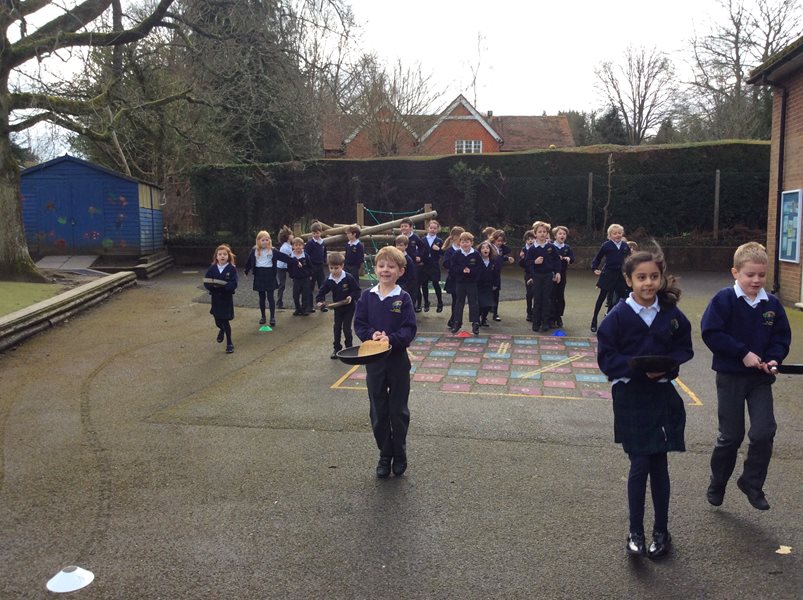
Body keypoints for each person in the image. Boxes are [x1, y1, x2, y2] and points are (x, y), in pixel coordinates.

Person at [597, 246, 694, 559]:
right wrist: (638, 369)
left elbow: (684, 348)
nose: (648, 282)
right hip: (631, 396)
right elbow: (607, 359)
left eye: (654, 276)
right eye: (641, 277)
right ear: (629, 280)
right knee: (640, 463)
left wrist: (668, 366)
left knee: (659, 464)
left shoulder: (671, 314)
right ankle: (635, 531)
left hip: (662, 395)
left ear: (661, 278)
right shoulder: (617, 317)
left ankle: (661, 531)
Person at [701, 242, 791, 511]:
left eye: (761, 275)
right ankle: (718, 481)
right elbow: (711, 332)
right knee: (731, 436)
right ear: (735, 272)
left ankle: (751, 483)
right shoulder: (724, 299)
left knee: (764, 432)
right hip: (731, 377)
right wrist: (742, 353)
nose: (756, 280)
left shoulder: (772, 304)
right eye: (750, 274)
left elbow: (781, 337)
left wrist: (774, 358)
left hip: (760, 380)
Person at [354, 245, 417, 478]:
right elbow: (359, 323)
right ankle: (385, 453)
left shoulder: (403, 298)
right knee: (378, 412)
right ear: (375, 268)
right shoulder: (367, 296)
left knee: (397, 411)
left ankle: (399, 453)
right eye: (381, 266)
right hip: (375, 363)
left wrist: (390, 339)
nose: (385, 270)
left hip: (397, 362)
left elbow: (409, 329)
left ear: (400, 271)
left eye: (391, 266)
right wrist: (372, 335)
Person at [316, 252, 361, 359]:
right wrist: (320, 301)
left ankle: (349, 348)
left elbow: (357, 290)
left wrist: (351, 296)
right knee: (336, 328)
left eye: (336, 268)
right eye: (331, 268)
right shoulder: (329, 280)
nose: (333, 271)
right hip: (338, 308)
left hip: (349, 307)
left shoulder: (348, 277)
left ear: (342, 266)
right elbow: (321, 292)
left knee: (346, 328)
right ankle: (337, 348)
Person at [590, 223, 631, 332]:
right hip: (608, 274)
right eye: (615, 233)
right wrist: (594, 268)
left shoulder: (625, 246)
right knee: (602, 298)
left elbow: (630, 260)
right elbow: (598, 258)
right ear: (610, 235)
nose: (617, 235)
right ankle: (594, 320)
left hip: (621, 276)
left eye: (619, 233)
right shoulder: (606, 245)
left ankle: (613, 321)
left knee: (619, 299)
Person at [525, 221, 561, 333]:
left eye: (544, 232)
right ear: (535, 234)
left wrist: (557, 272)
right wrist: (534, 262)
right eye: (540, 232)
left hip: (548, 276)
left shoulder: (551, 247)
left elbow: (557, 260)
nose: (542, 234)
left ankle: (545, 323)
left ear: (547, 233)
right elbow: (527, 263)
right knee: (537, 299)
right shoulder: (532, 249)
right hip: (536, 276)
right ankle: (536, 323)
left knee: (546, 299)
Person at [204, 244, 238, 354]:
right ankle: (221, 329)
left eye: (224, 254)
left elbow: (234, 283)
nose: (222, 256)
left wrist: (226, 287)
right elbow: (207, 281)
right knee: (218, 321)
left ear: (228, 256)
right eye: (220, 254)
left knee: (225, 320)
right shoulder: (212, 268)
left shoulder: (231, 269)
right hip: (216, 298)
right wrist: (212, 286)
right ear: (216, 256)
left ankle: (229, 343)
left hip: (226, 298)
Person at [243, 230, 281, 327]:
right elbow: (249, 261)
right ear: (258, 241)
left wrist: (295, 261)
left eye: (267, 240)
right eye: (263, 240)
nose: (265, 242)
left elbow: (284, 257)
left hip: (269, 274)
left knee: (270, 297)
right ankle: (263, 316)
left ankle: (272, 317)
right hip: (259, 274)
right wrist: (246, 271)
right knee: (262, 297)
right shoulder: (254, 250)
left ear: (269, 241)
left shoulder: (273, 250)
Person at [451, 231, 482, 336]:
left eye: (467, 242)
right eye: (463, 242)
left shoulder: (476, 254)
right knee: (459, 302)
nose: (465, 244)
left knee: (473, 303)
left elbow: (480, 268)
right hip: (460, 282)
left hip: (471, 283)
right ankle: (457, 322)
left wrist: (471, 271)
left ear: (471, 243)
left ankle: (475, 323)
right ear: (460, 243)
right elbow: (453, 267)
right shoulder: (456, 254)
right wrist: (461, 270)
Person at [279, 237, 314, 316]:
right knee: (295, 295)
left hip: (305, 279)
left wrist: (309, 274)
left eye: (300, 245)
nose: (298, 247)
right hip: (296, 279)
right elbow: (289, 267)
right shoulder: (291, 256)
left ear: (303, 246)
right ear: (293, 246)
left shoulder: (306, 256)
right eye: (296, 245)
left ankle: (304, 309)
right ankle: (298, 309)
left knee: (305, 295)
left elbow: (310, 266)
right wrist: (292, 275)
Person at [550, 225, 576, 329]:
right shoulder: (551, 246)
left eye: (564, 234)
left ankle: (558, 316)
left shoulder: (567, 247)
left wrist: (569, 258)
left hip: (563, 274)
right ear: (555, 236)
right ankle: (551, 317)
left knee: (560, 296)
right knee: (552, 295)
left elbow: (573, 258)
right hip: (552, 274)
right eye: (560, 233)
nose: (562, 235)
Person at [399, 217, 425, 311]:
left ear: (411, 227)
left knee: (414, 285)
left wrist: (419, 256)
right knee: (402, 284)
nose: (404, 228)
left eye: (406, 226)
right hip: (402, 263)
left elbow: (422, 246)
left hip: (413, 264)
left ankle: (416, 304)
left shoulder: (415, 237)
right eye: (402, 226)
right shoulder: (399, 238)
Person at [419, 218, 444, 313]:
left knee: (436, 284)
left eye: (435, 228)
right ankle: (426, 302)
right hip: (424, 265)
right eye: (431, 228)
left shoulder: (439, 241)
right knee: (424, 284)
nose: (433, 230)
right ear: (428, 228)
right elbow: (419, 251)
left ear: (438, 229)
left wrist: (438, 249)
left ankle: (440, 303)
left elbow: (443, 253)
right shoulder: (423, 240)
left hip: (434, 265)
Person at [489, 229, 515, 322]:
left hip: (497, 275)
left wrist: (507, 258)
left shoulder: (500, 249)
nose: (500, 243)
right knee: (487, 294)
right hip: (489, 275)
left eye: (502, 241)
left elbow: (506, 251)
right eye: (498, 241)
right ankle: (484, 314)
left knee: (496, 294)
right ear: (493, 239)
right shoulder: (489, 248)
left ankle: (495, 313)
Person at [442, 225, 464, 330]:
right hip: (454, 279)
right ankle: (455, 320)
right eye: (459, 238)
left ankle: (455, 320)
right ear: (454, 237)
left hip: (464, 279)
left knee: (460, 300)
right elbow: (446, 264)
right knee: (456, 300)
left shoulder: (466, 250)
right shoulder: (450, 251)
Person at [477, 241, 501, 327]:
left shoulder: (493, 261)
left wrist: (496, 284)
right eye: (483, 248)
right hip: (479, 286)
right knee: (479, 304)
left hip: (489, 286)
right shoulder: (477, 261)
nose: (485, 249)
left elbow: (496, 274)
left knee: (487, 305)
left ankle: (484, 319)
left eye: (487, 248)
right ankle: (477, 320)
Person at [305, 222, 328, 307]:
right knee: (310, 286)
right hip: (312, 267)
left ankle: (322, 304)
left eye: (317, 233)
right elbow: (306, 255)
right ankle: (309, 306)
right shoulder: (310, 244)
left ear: (320, 232)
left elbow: (324, 252)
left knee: (322, 285)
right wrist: (308, 266)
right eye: (314, 233)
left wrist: (324, 260)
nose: (315, 235)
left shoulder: (323, 243)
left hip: (320, 266)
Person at [519, 230, 536, 322]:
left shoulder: (537, 248)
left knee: (537, 294)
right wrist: (522, 258)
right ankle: (529, 313)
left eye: (532, 239)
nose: (530, 241)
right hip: (528, 274)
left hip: (537, 273)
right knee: (529, 294)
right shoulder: (524, 249)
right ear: (525, 240)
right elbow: (521, 265)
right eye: (528, 239)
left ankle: (535, 312)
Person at [395, 234, 418, 299]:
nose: (398, 247)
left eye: (401, 245)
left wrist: (404, 285)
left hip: (405, 285)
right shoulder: (394, 258)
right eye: (397, 245)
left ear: (406, 246)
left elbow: (411, 275)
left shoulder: (408, 259)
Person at [275, 226, 293, 309]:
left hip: (286, 266)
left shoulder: (289, 246)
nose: (293, 236)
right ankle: (279, 302)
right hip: (282, 267)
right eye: (291, 235)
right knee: (282, 284)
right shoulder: (285, 248)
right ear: (288, 237)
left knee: (283, 284)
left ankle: (279, 302)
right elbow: (288, 259)